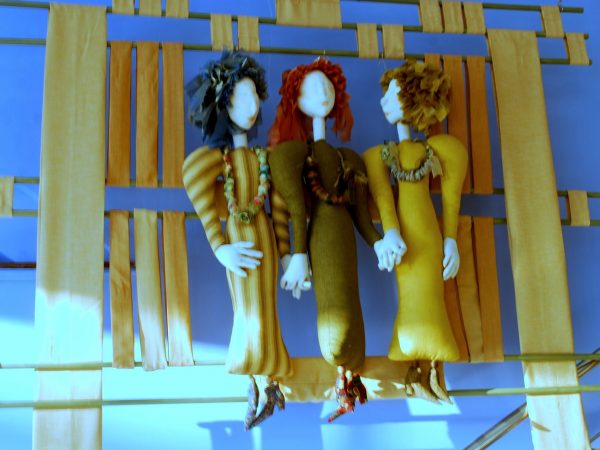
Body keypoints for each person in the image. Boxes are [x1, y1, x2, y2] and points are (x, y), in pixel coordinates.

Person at [268, 58, 404, 420]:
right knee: (335, 313)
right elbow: (297, 206)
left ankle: (349, 377)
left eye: (327, 86)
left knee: (350, 300)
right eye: (312, 88)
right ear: (295, 100)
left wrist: (377, 241)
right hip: (321, 238)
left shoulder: (348, 159)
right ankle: (344, 370)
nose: (323, 93)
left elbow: (360, 214)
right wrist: (297, 254)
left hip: (344, 239)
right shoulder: (295, 156)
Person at [182, 52, 291, 429]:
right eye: (239, 98)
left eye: (254, 96)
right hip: (238, 247)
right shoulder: (221, 159)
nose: (250, 105)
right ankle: (258, 383)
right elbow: (193, 174)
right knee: (247, 312)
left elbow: (279, 209)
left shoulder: (266, 158)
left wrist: (288, 256)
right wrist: (219, 247)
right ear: (221, 105)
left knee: (267, 311)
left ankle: (268, 384)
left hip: (264, 244)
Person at [362, 60, 468, 401]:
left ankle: (432, 369)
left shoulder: (435, 150)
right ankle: (417, 369)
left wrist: (451, 240)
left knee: (430, 294)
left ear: (413, 99)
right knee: (411, 297)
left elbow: (450, 200)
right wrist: (390, 233)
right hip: (404, 242)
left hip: (428, 237)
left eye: (392, 96)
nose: (383, 102)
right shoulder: (381, 155)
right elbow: (383, 199)